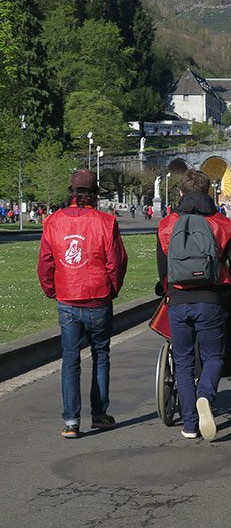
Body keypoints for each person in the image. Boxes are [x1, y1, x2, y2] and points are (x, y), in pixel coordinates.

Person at [156, 169, 231, 441]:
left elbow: (163, 271)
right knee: (213, 357)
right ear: (208, 192)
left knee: (183, 362)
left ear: (181, 193)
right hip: (211, 298)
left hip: (178, 300)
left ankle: (189, 424)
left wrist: (167, 290)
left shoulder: (166, 225)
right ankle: (206, 394)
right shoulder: (222, 224)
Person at [38, 169, 127, 438]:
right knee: (101, 355)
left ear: (71, 192)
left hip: (68, 296)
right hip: (97, 296)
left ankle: (71, 421)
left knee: (70, 359)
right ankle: (99, 414)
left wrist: (52, 289)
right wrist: (111, 288)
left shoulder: (53, 222)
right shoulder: (105, 221)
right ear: (94, 194)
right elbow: (117, 262)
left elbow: (46, 262)